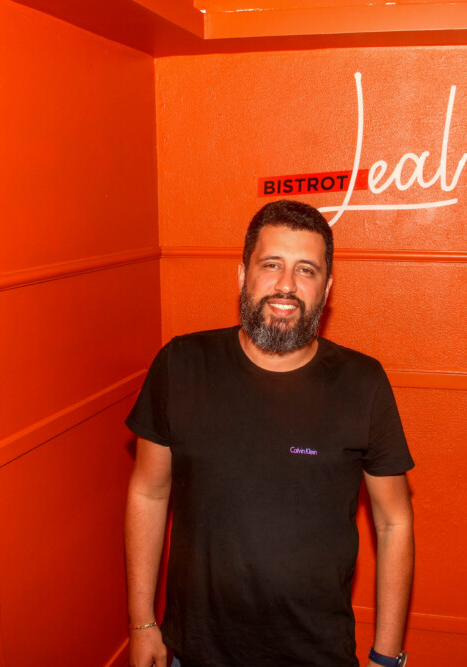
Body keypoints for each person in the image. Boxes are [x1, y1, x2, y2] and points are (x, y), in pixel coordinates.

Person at [124, 200, 415, 667]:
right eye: (272, 264)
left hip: (315, 655)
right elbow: (148, 492)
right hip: (196, 653)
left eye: (306, 270)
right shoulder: (181, 364)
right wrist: (141, 624)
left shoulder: (363, 383)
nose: (286, 285)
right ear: (243, 274)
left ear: (327, 288)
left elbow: (393, 522)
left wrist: (386, 658)